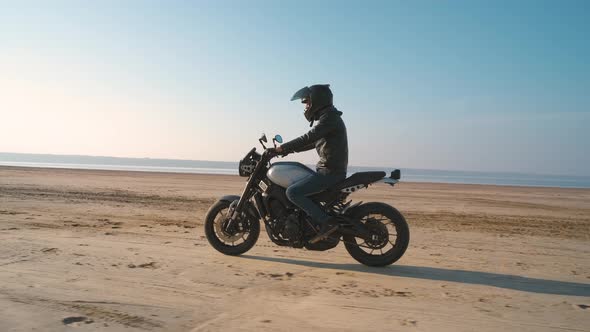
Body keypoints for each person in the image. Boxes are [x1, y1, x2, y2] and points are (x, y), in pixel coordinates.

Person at [274, 84, 349, 241]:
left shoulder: (329, 118)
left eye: (307, 102)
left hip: (330, 172)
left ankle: (327, 223)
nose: (306, 106)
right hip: (329, 171)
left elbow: (309, 137)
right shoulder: (329, 118)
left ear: (317, 101)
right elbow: (312, 143)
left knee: (292, 192)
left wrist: (282, 148)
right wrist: (287, 151)